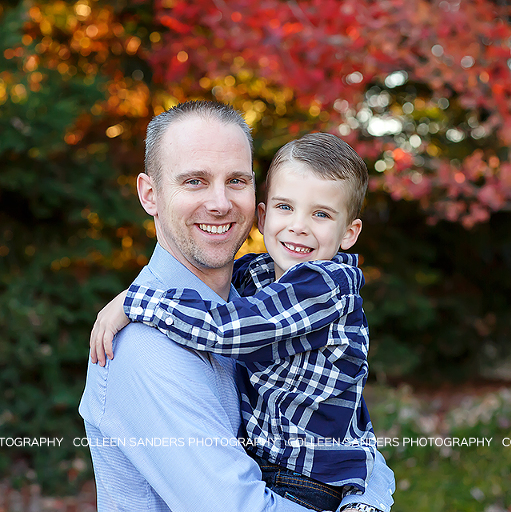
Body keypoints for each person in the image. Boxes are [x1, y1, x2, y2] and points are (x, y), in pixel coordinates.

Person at [79, 100, 395, 512]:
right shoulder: (144, 344)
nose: (220, 203)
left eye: (236, 181)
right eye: (194, 181)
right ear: (150, 194)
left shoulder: (258, 302)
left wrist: (365, 496)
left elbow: (346, 418)